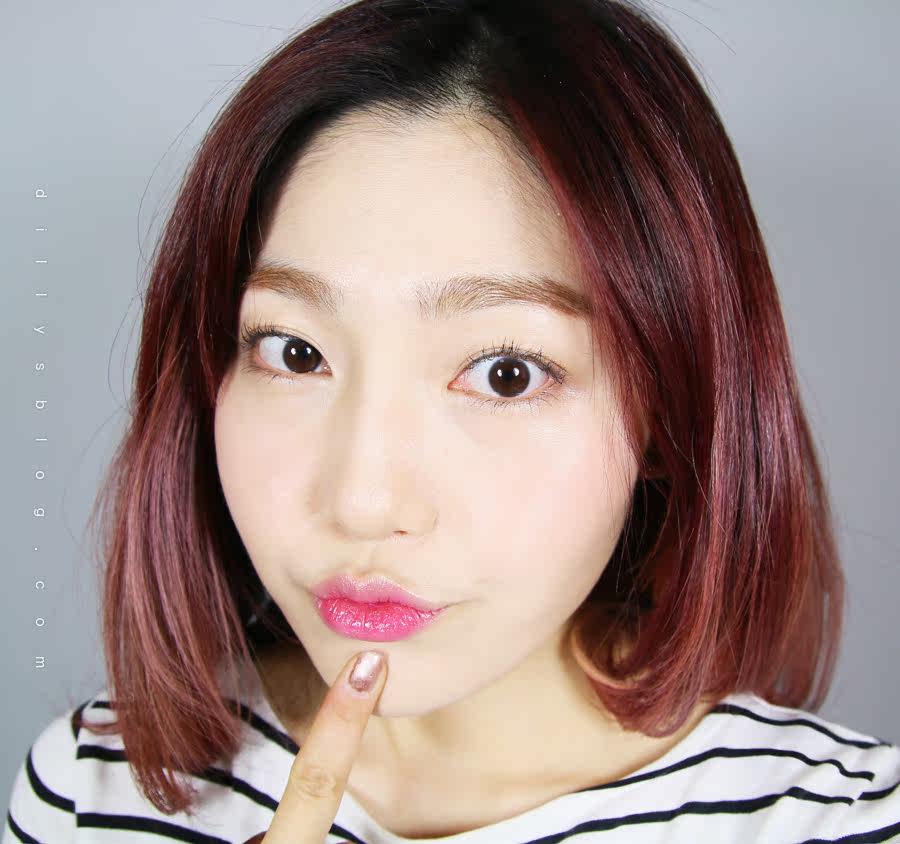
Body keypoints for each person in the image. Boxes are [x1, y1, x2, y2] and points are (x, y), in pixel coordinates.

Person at [5, 0, 899, 842]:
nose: (362, 501)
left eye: (506, 374)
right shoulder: (93, 790)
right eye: (296, 353)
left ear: (667, 413)